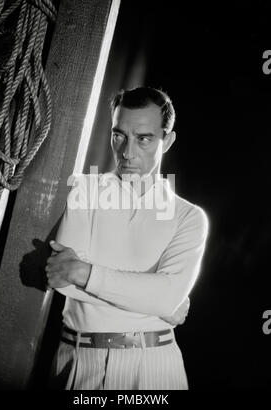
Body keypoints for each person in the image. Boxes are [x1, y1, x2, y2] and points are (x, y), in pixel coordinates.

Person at [46, 87, 209, 390]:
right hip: (78, 361)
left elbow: (76, 275)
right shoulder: (85, 190)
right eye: (119, 135)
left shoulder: (189, 217)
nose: (127, 152)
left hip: (153, 366)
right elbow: (62, 280)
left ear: (167, 141)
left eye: (144, 139)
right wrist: (156, 300)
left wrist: (85, 271)